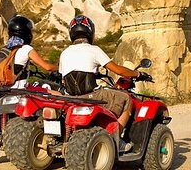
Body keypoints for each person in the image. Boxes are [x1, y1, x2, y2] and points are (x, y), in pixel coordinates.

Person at [58, 15, 151, 151]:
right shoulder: (94, 50)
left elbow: (63, 78)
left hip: (72, 98)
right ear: (90, 32)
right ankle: (117, 139)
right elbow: (118, 70)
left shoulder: (64, 53)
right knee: (126, 99)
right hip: (93, 95)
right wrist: (138, 74)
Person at [6, 15, 58, 89]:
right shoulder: (26, 48)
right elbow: (47, 67)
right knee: (57, 93)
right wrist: (60, 68)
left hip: (6, 90)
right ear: (25, 33)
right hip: (21, 90)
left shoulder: (6, 49)